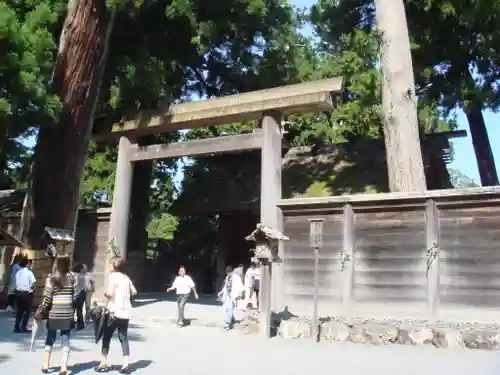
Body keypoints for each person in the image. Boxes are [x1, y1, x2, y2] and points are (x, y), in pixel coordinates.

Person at [95, 256, 137, 374]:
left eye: (110, 264)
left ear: (114, 266)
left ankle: (103, 363)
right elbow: (134, 291)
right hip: (125, 312)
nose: (108, 266)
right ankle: (125, 363)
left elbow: (110, 293)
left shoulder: (113, 277)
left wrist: (105, 293)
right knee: (123, 337)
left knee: (106, 337)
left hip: (113, 311)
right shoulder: (126, 277)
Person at [41, 254, 76, 375]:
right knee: (65, 338)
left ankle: (46, 365)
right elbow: (75, 295)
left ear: (56, 263)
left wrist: (42, 310)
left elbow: (47, 298)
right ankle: (64, 367)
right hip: (67, 313)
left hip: (54, 313)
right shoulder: (71, 277)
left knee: (50, 337)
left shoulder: (51, 278)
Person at [14, 255, 36, 333]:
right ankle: (23, 326)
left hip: (18, 293)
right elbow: (33, 284)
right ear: (27, 264)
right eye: (30, 263)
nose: (31, 265)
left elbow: (16, 283)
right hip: (26, 293)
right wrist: (33, 289)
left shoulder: (18, 273)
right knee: (27, 311)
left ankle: (16, 327)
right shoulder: (29, 273)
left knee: (19, 311)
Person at [217, 266, 244, 331]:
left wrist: (240, 295)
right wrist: (221, 292)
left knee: (230, 309)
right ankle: (232, 320)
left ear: (231, 272)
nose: (227, 274)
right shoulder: (227, 278)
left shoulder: (236, 278)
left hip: (233, 296)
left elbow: (240, 286)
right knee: (227, 309)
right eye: (227, 273)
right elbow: (225, 287)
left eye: (228, 273)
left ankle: (229, 324)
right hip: (227, 296)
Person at [72, 263, 87, 330]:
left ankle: (71, 325)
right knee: (79, 310)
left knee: (72, 310)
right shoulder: (83, 275)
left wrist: (71, 287)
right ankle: (80, 325)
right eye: (83, 268)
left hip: (76, 294)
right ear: (80, 269)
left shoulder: (75, 275)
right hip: (82, 293)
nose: (84, 269)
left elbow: (76, 283)